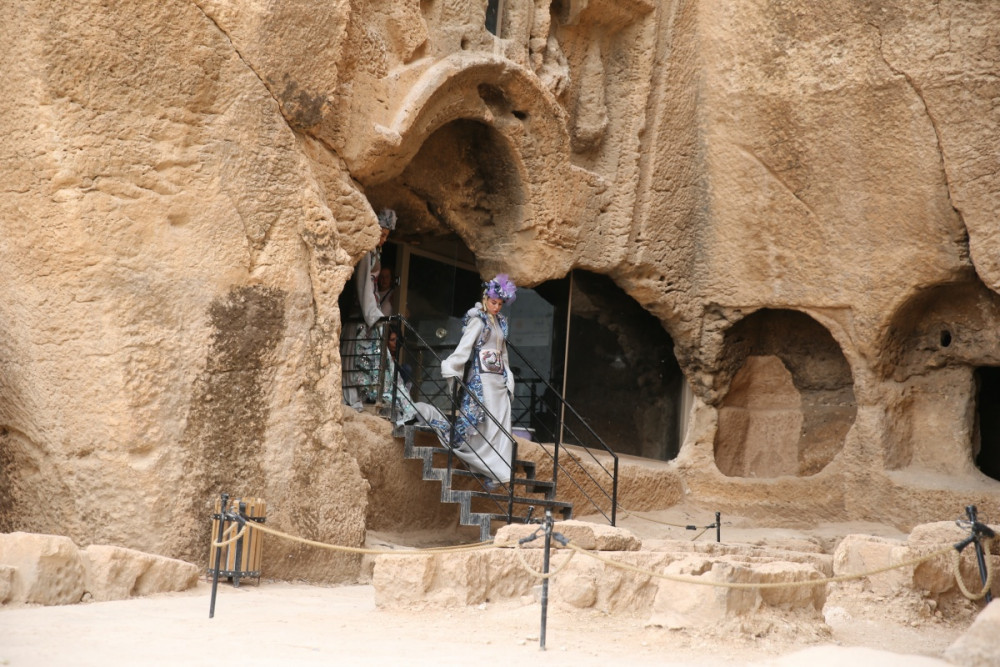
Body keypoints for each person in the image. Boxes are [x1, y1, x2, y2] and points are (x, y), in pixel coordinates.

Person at [414, 274, 517, 491]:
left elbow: (503, 353)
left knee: (501, 423)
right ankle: (490, 467)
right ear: (485, 299)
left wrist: (508, 376)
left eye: (499, 304)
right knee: (484, 425)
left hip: (498, 379)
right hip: (483, 379)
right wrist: (452, 365)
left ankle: (500, 468)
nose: (496, 307)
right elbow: (465, 348)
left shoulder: (502, 323)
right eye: (493, 302)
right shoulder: (478, 321)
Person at [341, 209, 415, 424]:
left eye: (386, 235)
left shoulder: (376, 253)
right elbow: (364, 284)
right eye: (381, 233)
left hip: (371, 316)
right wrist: (373, 315)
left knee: (381, 365)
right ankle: (357, 399)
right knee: (360, 361)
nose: (383, 239)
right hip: (363, 317)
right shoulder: (367, 253)